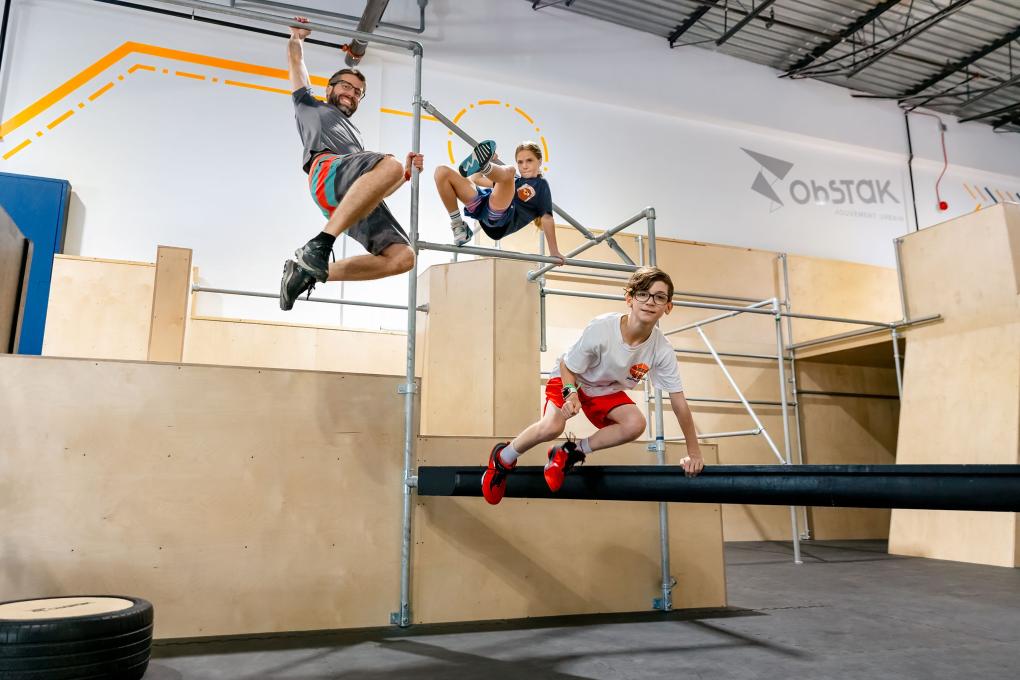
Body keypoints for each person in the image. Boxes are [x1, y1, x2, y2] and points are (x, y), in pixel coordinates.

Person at [480, 266, 705, 505]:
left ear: (668, 307)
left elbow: (679, 403)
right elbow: (568, 367)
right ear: (629, 298)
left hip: (603, 389)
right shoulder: (602, 329)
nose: (650, 302)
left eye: (659, 297)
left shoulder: (662, 349)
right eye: (643, 294)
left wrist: (694, 453)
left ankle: (569, 453)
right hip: (571, 377)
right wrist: (571, 395)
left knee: (635, 424)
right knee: (551, 427)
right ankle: (503, 458)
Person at [280, 16, 423, 311]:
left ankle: (308, 272)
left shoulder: (355, 139)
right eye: (345, 86)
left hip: (347, 196)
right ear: (329, 89)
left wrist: (404, 175)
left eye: (357, 92)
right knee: (391, 164)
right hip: (326, 171)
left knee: (403, 258)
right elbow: (296, 64)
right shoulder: (309, 105)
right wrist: (297, 38)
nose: (351, 93)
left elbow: (375, 191)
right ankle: (319, 244)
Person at [434, 140, 565, 262]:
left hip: (501, 218)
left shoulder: (540, 185)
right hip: (482, 206)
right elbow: (476, 180)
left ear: (540, 161)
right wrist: (489, 162)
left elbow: (547, 218)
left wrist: (554, 251)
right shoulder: (513, 182)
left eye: (529, 161)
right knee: (441, 171)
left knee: (510, 172)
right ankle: (458, 226)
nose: (524, 166)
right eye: (520, 162)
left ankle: (486, 167)